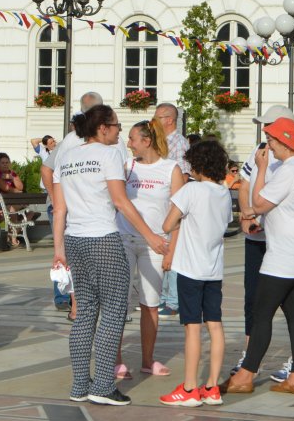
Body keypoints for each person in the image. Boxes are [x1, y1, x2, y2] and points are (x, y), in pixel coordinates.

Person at [51, 105, 167, 407]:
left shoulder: (66, 157)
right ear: (102, 127)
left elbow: (59, 209)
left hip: (75, 240)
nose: (119, 131)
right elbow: (120, 201)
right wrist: (150, 236)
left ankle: (80, 385)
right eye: (116, 126)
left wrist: (58, 250)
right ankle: (103, 386)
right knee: (114, 312)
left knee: (85, 312)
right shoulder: (108, 154)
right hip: (103, 238)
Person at [222, 117, 294, 397]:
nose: (269, 147)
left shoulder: (290, 170)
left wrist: (262, 168)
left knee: (261, 315)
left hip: (284, 257)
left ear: (285, 142)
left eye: (272, 141)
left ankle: (245, 376)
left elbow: (258, 204)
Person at [159, 140, 233, 407]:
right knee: (215, 324)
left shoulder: (191, 191)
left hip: (190, 268)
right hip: (214, 269)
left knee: (192, 327)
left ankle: (189, 387)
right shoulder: (223, 193)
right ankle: (212, 387)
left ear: (199, 166)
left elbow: (168, 223)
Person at [114, 120, 174, 379]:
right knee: (118, 303)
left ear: (147, 141)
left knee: (150, 304)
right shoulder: (127, 168)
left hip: (156, 243)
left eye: (132, 139)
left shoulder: (171, 169)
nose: (128, 144)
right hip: (124, 239)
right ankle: (116, 360)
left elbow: (178, 210)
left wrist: (172, 248)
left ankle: (148, 360)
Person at [40, 92, 106, 313]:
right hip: (79, 209)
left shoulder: (70, 139)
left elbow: (47, 169)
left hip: (68, 206)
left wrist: (55, 197)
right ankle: (74, 302)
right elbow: (47, 169)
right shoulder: (80, 140)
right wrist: (56, 197)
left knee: (66, 253)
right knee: (76, 256)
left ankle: (72, 302)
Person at [152, 103, 189, 317]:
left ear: (169, 119)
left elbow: (183, 178)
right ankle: (163, 297)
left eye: (157, 117)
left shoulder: (179, 144)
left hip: (173, 206)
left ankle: (173, 301)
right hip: (163, 206)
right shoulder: (162, 142)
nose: (153, 121)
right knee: (164, 251)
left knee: (173, 252)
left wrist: (175, 206)